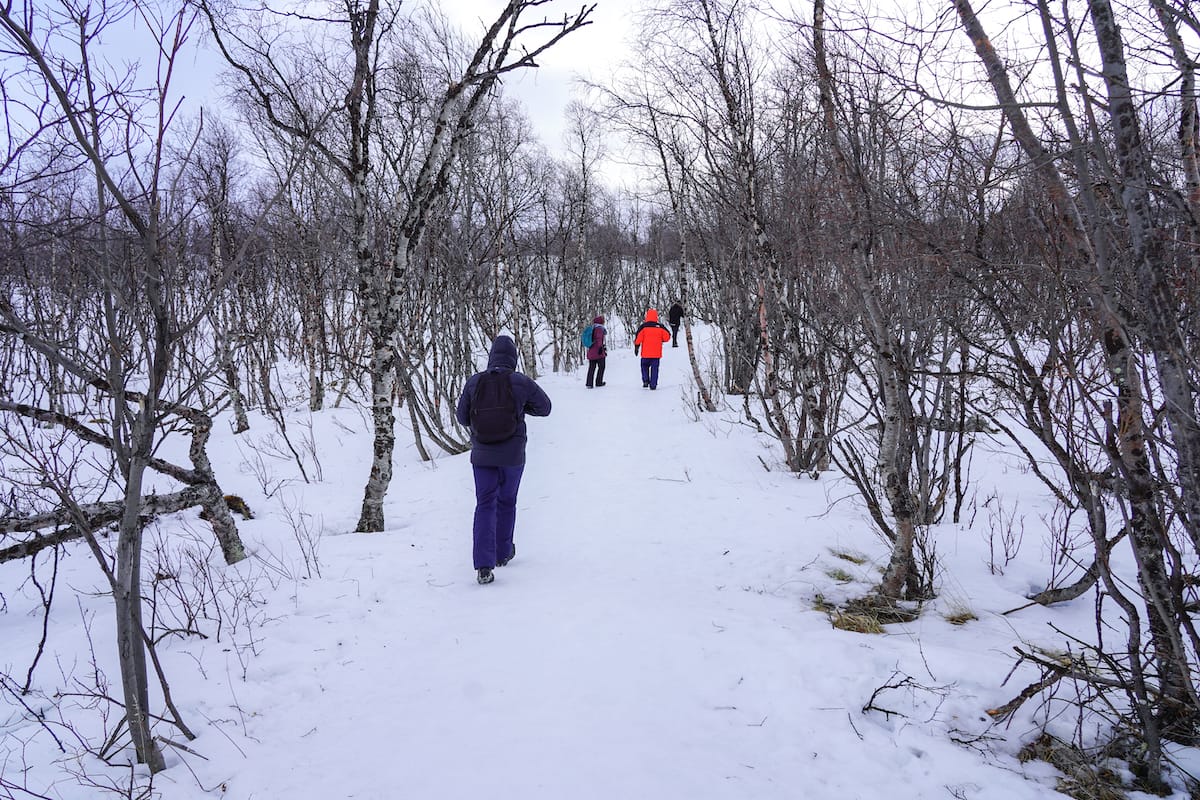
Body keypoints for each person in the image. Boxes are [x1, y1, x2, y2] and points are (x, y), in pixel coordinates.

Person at [455, 335, 552, 585]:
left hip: (482, 454)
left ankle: (484, 566)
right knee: (507, 501)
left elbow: (463, 417)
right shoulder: (519, 381)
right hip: (513, 454)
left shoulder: (475, 382)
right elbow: (545, 407)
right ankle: (503, 551)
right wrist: (521, 409)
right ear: (513, 358)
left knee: (485, 503)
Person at [633, 308, 672, 390]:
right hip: (656, 353)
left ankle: (645, 380)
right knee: (655, 369)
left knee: (644, 366)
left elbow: (638, 339)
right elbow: (667, 337)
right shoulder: (660, 327)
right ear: (656, 317)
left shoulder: (643, 327)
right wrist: (661, 339)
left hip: (645, 353)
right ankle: (653, 385)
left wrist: (636, 346)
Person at [585, 315, 608, 388]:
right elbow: (598, 339)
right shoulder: (599, 329)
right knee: (602, 367)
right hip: (598, 352)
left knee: (591, 367)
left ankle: (589, 383)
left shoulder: (592, 328)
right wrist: (601, 348)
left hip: (591, 352)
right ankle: (599, 382)